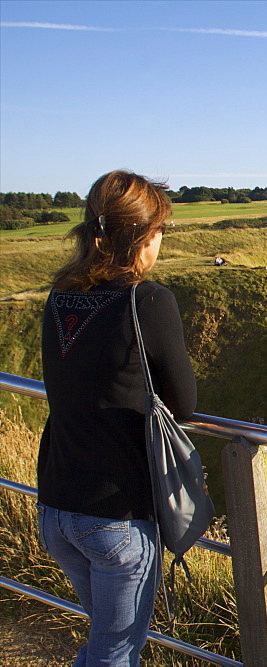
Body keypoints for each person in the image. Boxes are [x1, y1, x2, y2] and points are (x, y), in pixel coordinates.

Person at [37, 170, 197, 666]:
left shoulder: (59, 299)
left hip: (56, 507)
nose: (161, 243)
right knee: (117, 648)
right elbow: (184, 404)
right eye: (159, 232)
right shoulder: (148, 299)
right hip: (115, 515)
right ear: (141, 237)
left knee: (105, 640)